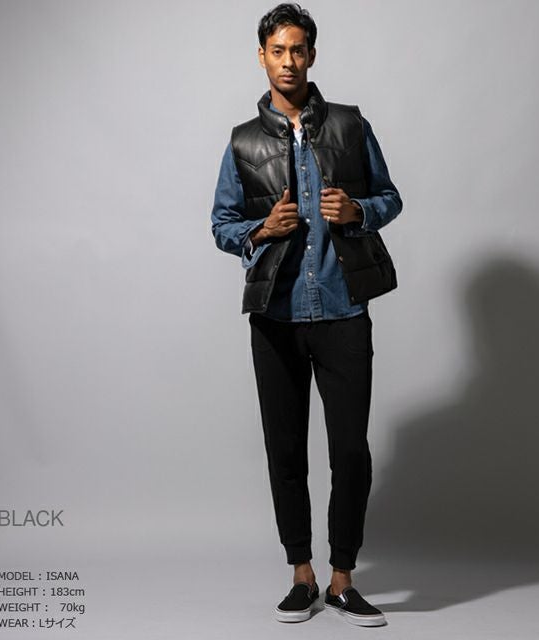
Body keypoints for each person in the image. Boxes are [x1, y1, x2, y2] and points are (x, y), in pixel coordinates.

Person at [210, 2, 402, 627]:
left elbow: (390, 195)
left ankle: (343, 579)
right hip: (276, 315)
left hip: (343, 309)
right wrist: (261, 229)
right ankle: (302, 574)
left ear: (312, 55)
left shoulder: (349, 125)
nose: (288, 61)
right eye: (277, 51)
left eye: (298, 49)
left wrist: (360, 212)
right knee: (285, 449)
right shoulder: (243, 141)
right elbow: (221, 223)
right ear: (261, 56)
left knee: (350, 451)